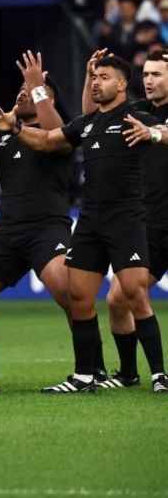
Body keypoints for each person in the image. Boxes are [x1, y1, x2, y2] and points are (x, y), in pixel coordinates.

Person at [0, 54, 166, 393]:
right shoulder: (86, 123)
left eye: (104, 77)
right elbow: (47, 140)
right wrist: (15, 128)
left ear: (121, 85)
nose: (97, 82)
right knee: (79, 297)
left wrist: (153, 135)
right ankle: (85, 375)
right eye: (94, 77)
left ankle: (159, 375)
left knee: (134, 294)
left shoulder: (136, 116)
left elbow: (162, 130)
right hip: (89, 220)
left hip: (126, 218)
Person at [0, 52, 76, 391]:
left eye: (33, 90)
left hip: (47, 229)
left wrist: (38, 86)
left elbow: (58, 135)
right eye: (21, 88)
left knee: (72, 295)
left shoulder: (59, 132)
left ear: (47, 98)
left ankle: (90, 370)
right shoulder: (3, 134)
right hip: (8, 233)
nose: (23, 92)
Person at [102, 52, 168, 392]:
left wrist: (154, 134)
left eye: (157, 73)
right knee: (117, 298)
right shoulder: (135, 110)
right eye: (146, 73)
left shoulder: (150, 122)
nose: (150, 79)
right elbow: (93, 118)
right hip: (152, 224)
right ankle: (130, 373)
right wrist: (92, 77)